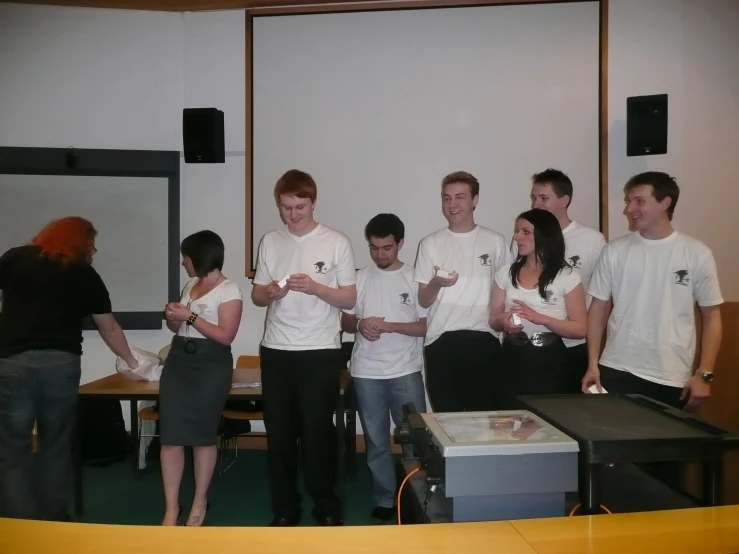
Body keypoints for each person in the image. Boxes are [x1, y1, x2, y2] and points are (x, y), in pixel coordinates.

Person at [0, 216, 138, 521]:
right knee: (56, 445)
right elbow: (109, 328)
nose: (94, 250)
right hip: (60, 365)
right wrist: (133, 362)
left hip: (12, 362)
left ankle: (17, 522)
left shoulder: (14, 258)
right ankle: (54, 519)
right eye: (92, 242)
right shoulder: (85, 274)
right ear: (81, 242)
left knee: (12, 447)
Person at [252, 169, 356, 527]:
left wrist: (315, 288)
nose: (292, 215)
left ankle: (326, 507)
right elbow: (256, 295)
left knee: (316, 434)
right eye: (285, 208)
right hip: (277, 349)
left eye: (299, 207)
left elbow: (349, 297)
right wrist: (270, 293)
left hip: (320, 349)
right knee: (279, 435)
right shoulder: (270, 240)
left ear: (313, 202)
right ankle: (285, 508)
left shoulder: (336, 241)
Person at [583, 172, 723, 410]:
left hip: (670, 374)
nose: (629, 209)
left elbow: (712, 317)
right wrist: (593, 364)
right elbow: (597, 310)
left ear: (665, 203)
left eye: (638, 201)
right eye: (628, 201)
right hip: (616, 368)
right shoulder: (614, 251)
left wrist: (704, 374)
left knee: (664, 446)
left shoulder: (696, 253)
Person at [341, 213, 427, 524]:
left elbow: (424, 327)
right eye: (374, 248)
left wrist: (388, 326)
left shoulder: (415, 278)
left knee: (415, 440)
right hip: (366, 373)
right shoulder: (360, 278)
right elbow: (345, 319)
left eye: (387, 248)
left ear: (400, 243)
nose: (380, 254)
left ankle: (417, 498)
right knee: (376, 440)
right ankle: (384, 498)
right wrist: (360, 324)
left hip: (405, 370)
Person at [159, 230, 243, 526]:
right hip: (179, 360)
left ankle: (199, 502)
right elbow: (177, 330)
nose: (184, 262)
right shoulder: (191, 284)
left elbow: (225, 335)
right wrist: (173, 318)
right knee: (170, 435)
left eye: (186, 256)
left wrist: (190, 317)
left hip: (210, 364)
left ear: (199, 256)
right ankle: (171, 508)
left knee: (202, 435)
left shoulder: (229, 289)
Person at [414, 171, 509, 412]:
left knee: (486, 424)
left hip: (484, 340)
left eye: (459, 197)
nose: (452, 204)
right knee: (447, 422)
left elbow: (506, 292)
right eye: (446, 198)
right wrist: (436, 282)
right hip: (441, 342)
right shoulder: (430, 243)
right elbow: (423, 301)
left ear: (475, 200)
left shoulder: (495, 241)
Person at [489, 209, 587, 408]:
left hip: (550, 362)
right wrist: (503, 320)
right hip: (512, 358)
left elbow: (580, 329)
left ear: (545, 235)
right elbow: (493, 320)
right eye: (516, 232)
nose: (517, 237)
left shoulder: (567, 276)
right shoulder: (505, 273)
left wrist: (543, 319)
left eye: (525, 232)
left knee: (550, 422)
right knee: (511, 421)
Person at [525, 168, 606, 392]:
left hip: (576, 344)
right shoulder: (528, 237)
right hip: (536, 342)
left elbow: (603, 296)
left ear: (564, 200)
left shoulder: (592, 240)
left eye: (543, 198)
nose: (536, 205)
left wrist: (594, 353)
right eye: (533, 198)